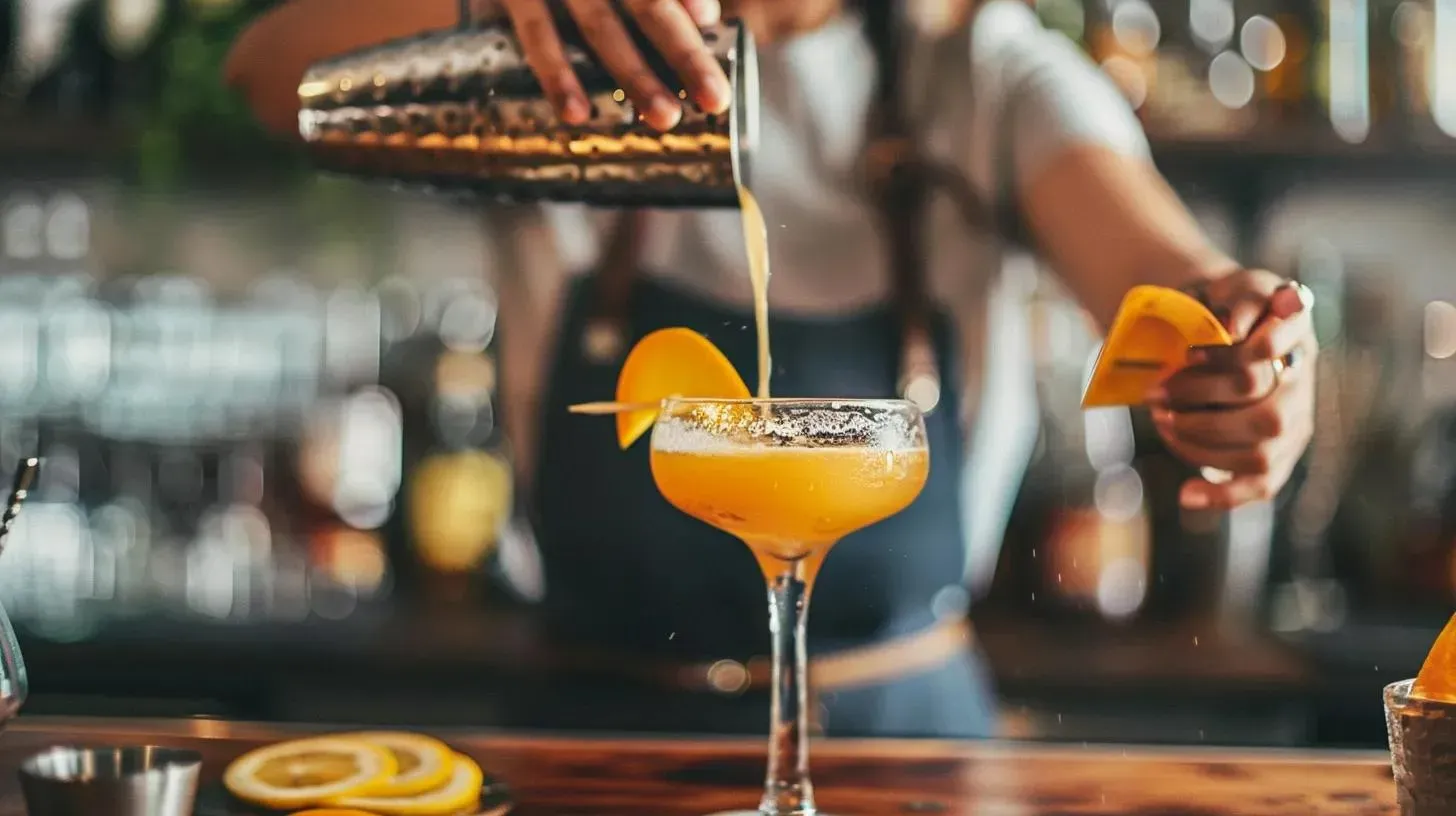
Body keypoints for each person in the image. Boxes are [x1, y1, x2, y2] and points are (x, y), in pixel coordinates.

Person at [224, 0, 1318, 739]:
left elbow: (1164, 273)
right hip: (600, 735)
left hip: (905, 740)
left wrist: (1241, 345)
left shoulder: (984, 70)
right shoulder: (566, 45)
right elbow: (268, 72)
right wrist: (504, 13)